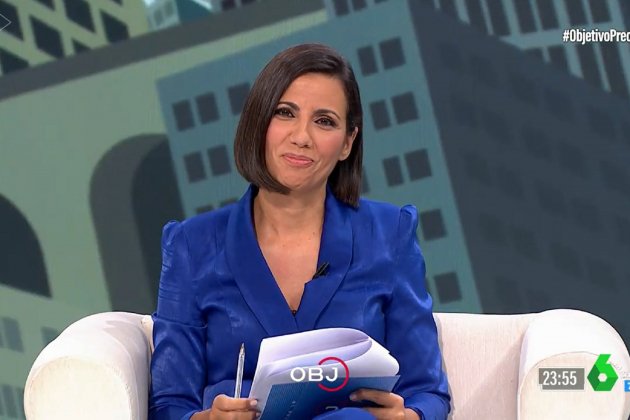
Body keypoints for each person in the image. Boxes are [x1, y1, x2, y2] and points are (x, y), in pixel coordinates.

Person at [149, 43, 451, 420]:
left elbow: (428, 391)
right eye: (285, 113)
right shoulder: (192, 245)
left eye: (324, 121)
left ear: (347, 142)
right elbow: (169, 403)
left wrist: (410, 416)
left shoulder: (390, 234)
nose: (301, 136)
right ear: (259, 123)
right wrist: (206, 419)